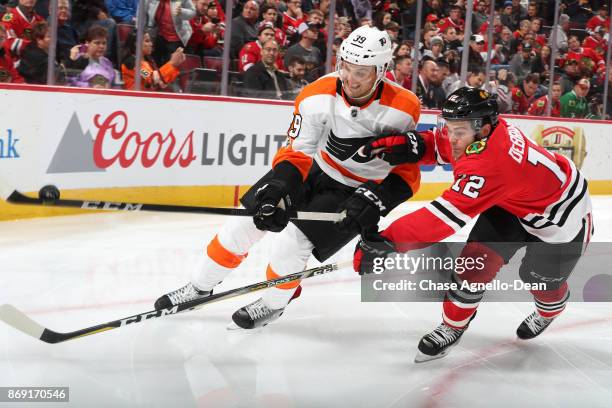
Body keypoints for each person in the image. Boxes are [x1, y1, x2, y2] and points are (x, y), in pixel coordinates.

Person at [154, 26, 424, 330]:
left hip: (354, 188)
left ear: (381, 71)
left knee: (292, 245)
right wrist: (278, 189)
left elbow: (406, 172)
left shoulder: (404, 107)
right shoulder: (317, 94)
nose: (350, 79)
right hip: (315, 167)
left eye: (360, 72)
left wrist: (376, 202)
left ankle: (272, 305)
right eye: (345, 67)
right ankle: (198, 287)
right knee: (242, 224)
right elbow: (297, 150)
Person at [353, 87, 593, 362]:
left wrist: (388, 241)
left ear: (483, 128)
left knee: (538, 281)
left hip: (562, 219)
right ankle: (452, 327)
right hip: (514, 203)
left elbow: (441, 218)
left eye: (459, 130)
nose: (452, 136)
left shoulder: (493, 163)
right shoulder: (486, 133)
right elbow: (448, 145)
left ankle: (550, 310)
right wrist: (418, 145)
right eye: (450, 127)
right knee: (474, 265)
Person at [146, 0, 195, 67]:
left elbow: (193, 12)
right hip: (160, 34)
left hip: (176, 38)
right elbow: (144, 12)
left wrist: (182, 12)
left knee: (171, 65)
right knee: (155, 63)